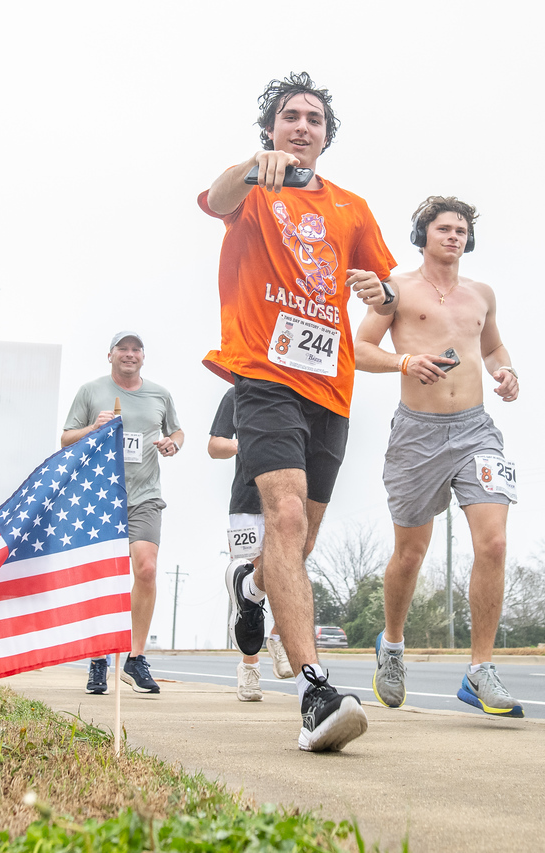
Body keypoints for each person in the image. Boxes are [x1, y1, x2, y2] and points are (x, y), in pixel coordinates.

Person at [199, 73, 397, 752]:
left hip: (329, 390)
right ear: (272, 130)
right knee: (281, 518)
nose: (303, 125)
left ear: (326, 136)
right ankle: (315, 689)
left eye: (314, 118)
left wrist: (380, 291)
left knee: (300, 543)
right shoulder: (251, 188)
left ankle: (252, 589)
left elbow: (388, 291)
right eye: (290, 116)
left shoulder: (351, 208)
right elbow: (213, 197)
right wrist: (251, 170)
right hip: (263, 375)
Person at [355, 196, 522, 717]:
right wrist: (405, 361)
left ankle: (479, 671)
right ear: (423, 235)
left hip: (476, 431)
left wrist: (506, 371)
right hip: (416, 435)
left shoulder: (482, 295)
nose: (454, 236)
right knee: (411, 553)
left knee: (493, 543)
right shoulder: (396, 289)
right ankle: (394, 646)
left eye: (461, 229)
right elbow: (359, 350)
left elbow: (492, 347)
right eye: (444, 228)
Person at [62, 331, 184, 695]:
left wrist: (171, 444)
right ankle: (99, 657)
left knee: (145, 568)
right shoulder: (90, 391)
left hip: (145, 495)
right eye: (123, 349)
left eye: (136, 349)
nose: (130, 354)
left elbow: (177, 431)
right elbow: (66, 438)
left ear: (143, 357)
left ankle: (135, 657)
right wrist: (93, 429)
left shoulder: (159, 395)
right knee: (104, 578)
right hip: (101, 497)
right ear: (110, 355)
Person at [208, 386, 296, 701]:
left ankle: (277, 637)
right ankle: (249, 669)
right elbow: (214, 446)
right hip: (246, 504)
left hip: (286, 500)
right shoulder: (236, 394)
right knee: (248, 586)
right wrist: (242, 444)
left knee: (285, 572)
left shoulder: (293, 392)